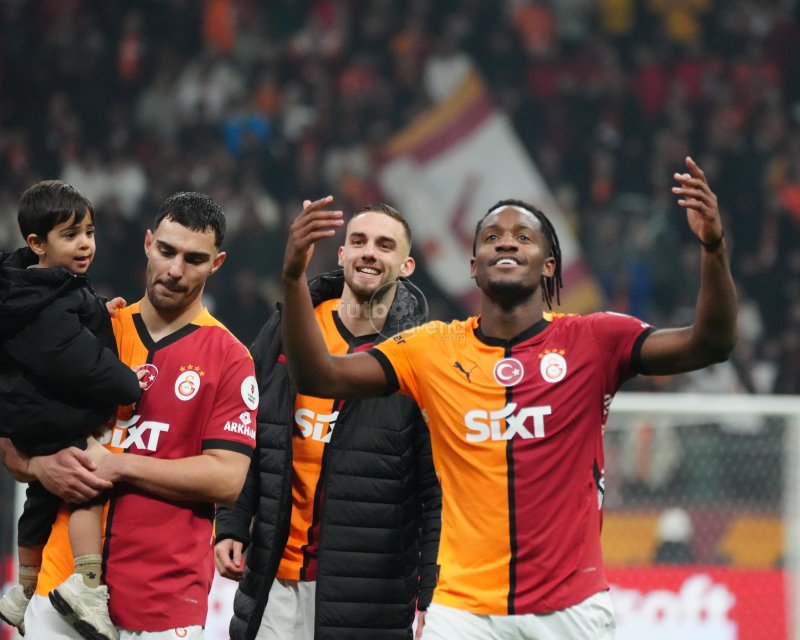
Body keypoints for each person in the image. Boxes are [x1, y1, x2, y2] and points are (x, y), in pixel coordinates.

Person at [279, 157, 737, 639]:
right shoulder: (431, 349)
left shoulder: (595, 340)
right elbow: (319, 376)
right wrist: (292, 280)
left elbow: (711, 343)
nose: (506, 243)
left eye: (523, 237)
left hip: (571, 610)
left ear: (549, 264)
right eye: (492, 237)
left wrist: (712, 246)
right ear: (473, 267)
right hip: (462, 613)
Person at [2, 191, 259, 640]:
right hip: (60, 590)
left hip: (162, 601)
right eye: (167, 251)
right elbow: (11, 437)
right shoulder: (88, 327)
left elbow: (227, 479)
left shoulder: (230, 357)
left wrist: (118, 465)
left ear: (216, 264)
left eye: (194, 259)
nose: (175, 269)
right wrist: (39, 466)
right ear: (147, 243)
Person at [214, 203, 442, 640]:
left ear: (407, 265)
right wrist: (231, 521)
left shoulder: (424, 357)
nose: (369, 252)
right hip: (273, 579)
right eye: (358, 241)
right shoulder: (288, 328)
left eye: (385, 245)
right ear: (341, 255)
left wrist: (431, 587)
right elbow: (247, 430)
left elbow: (435, 490)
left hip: (367, 597)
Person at [0, 180, 143, 640]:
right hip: (49, 415)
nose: (85, 244)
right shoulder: (46, 308)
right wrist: (129, 385)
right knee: (87, 481)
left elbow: (72, 307)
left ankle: (22, 590)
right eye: (70, 235)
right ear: (37, 243)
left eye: (89, 232)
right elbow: (83, 360)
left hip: (26, 413)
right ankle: (87, 584)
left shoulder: (27, 287)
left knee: (40, 500)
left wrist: (100, 309)